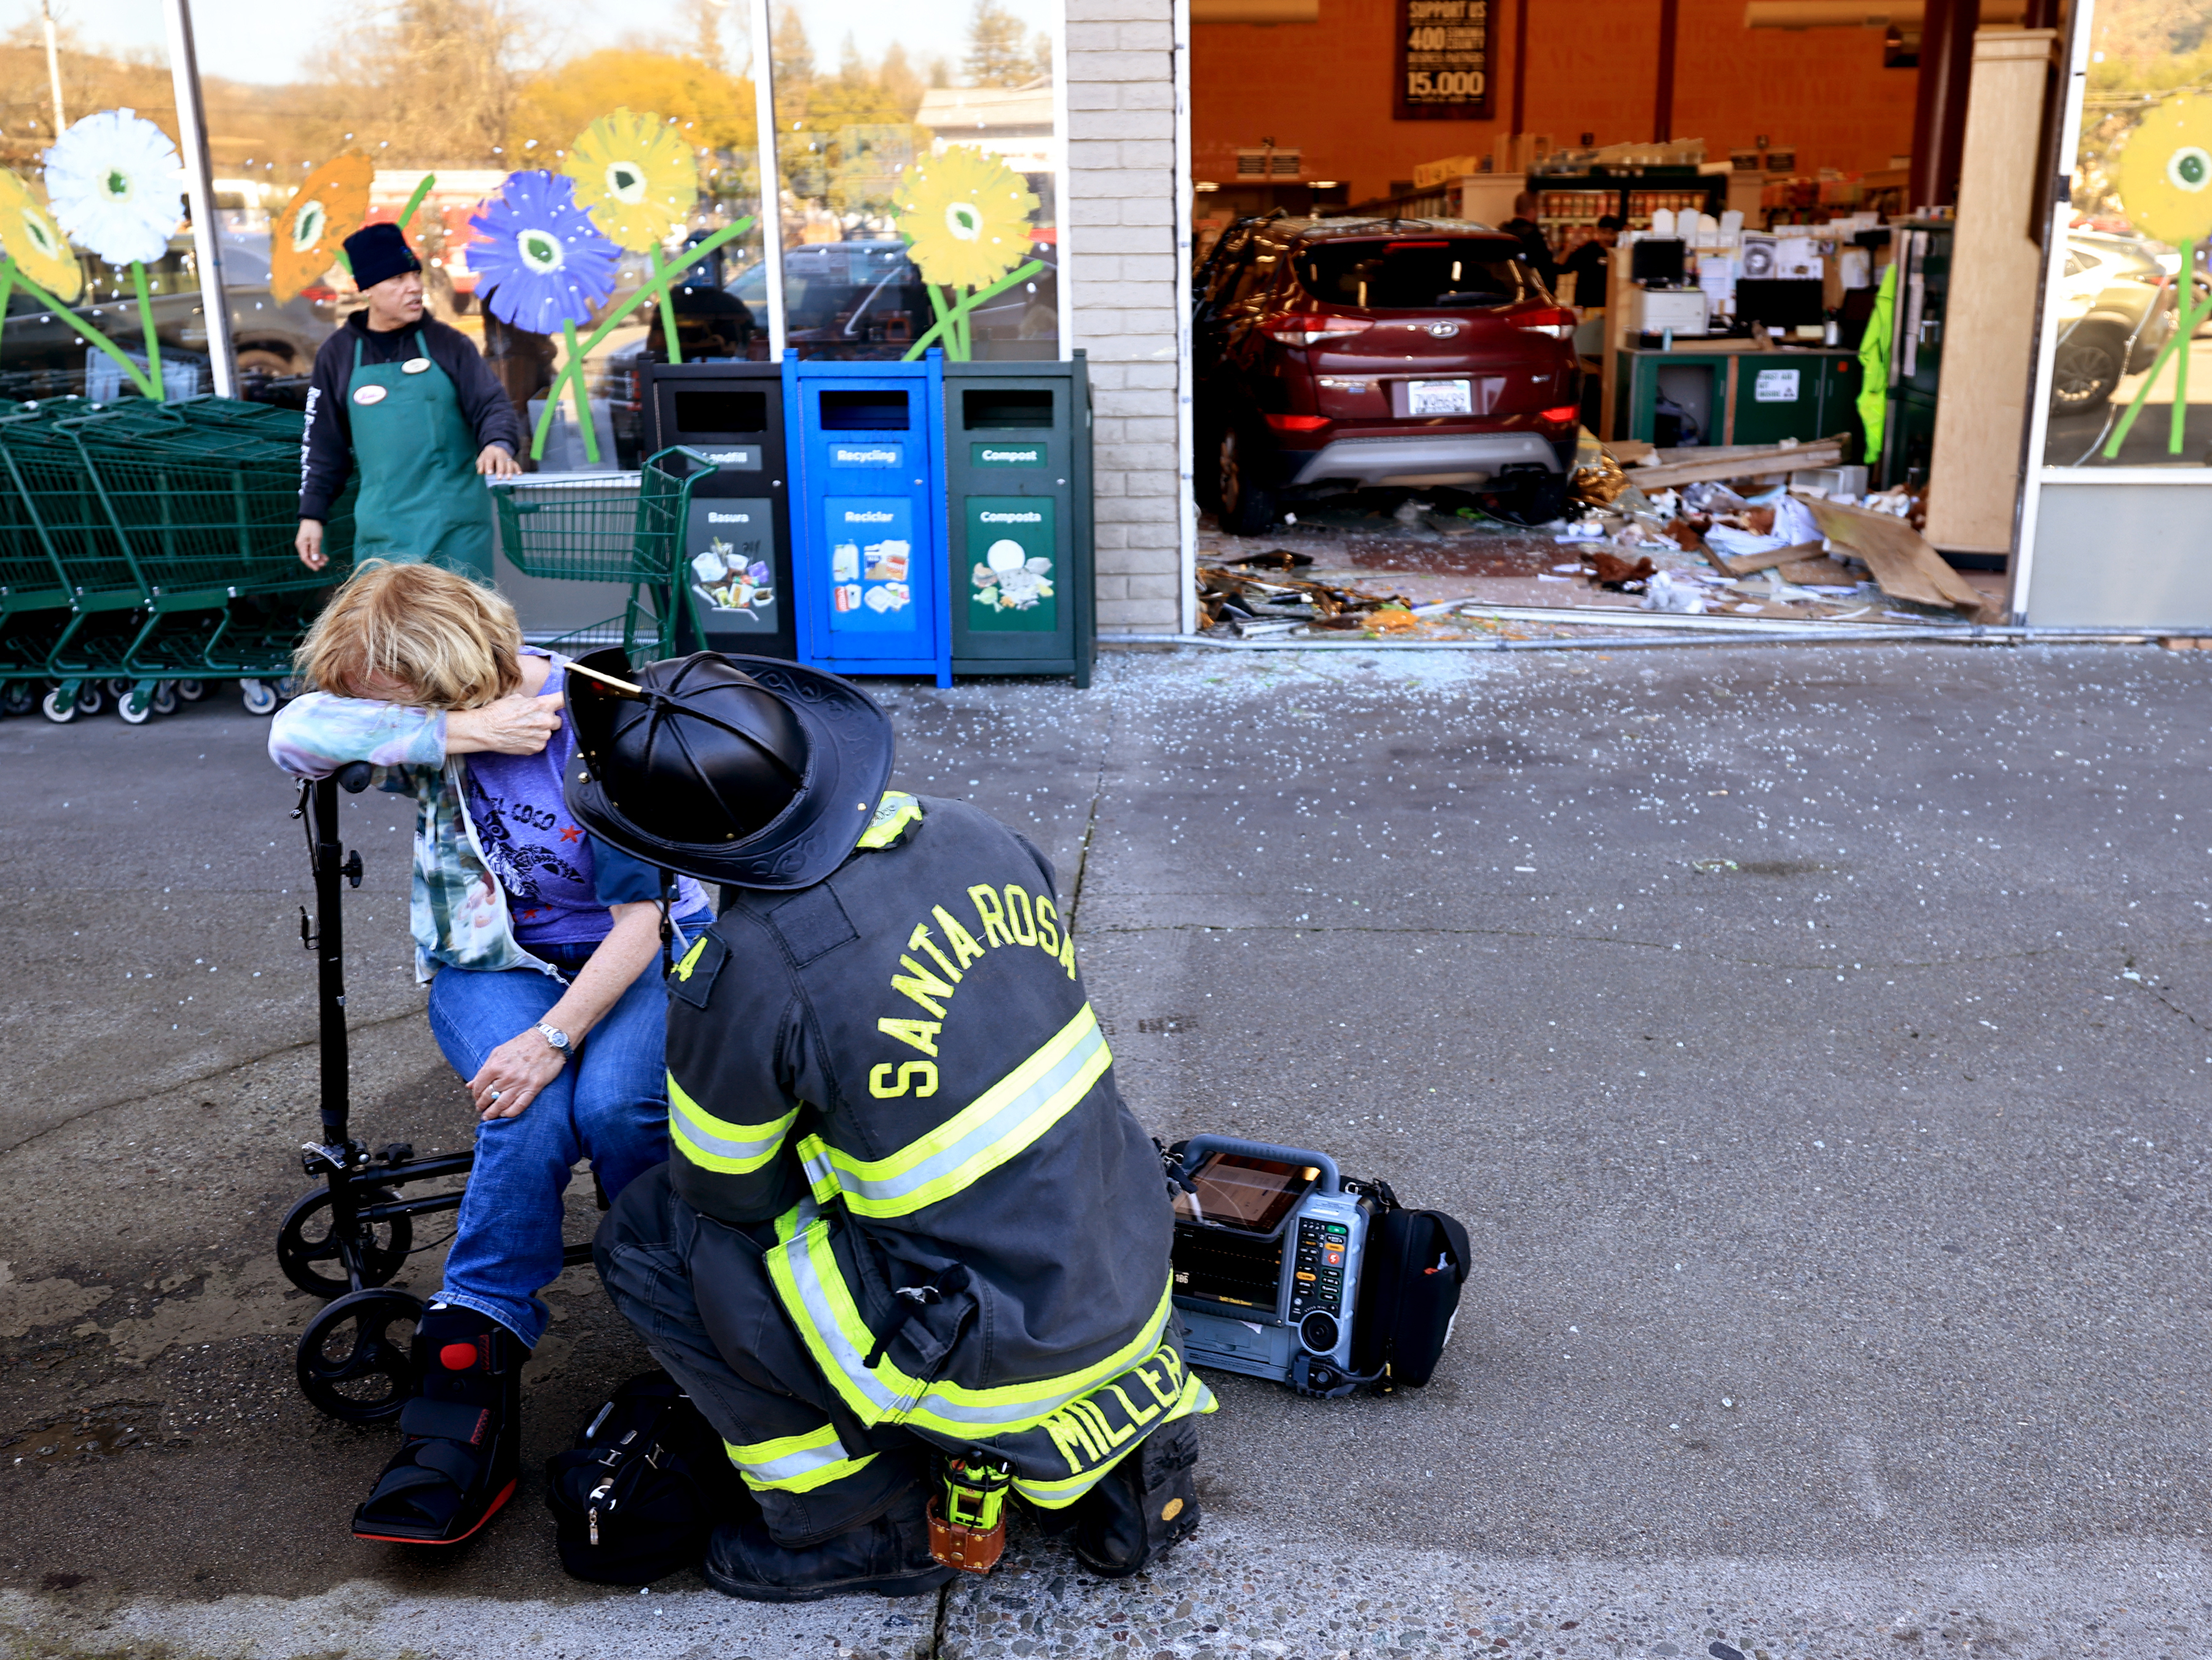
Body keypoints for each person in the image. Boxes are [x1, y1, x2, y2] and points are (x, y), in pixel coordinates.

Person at [567, 649, 1212, 1603]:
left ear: (676, 848)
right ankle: (1102, 1467)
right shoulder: (973, 834)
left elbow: (724, 1192)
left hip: (983, 1351)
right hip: (1124, 1273)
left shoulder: (743, 971)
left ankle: (853, 1517)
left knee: (652, 1235)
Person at [268, 562, 713, 1545]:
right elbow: (294, 734)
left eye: (392, 701)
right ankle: (471, 1351)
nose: (373, 716)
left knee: (610, 1110)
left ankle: (677, 1295)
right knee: (528, 1110)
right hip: (492, 955)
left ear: (443, 666)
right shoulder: (443, 719)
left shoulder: (594, 720)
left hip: (633, 952)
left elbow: (643, 921)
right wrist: (453, 734)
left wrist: (554, 1037)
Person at [296, 222, 525, 580]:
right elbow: (323, 445)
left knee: (466, 630)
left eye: (415, 275)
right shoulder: (338, 355)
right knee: (387, 633)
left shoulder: (448, 344)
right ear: (368, 289)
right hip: (384, 535)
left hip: (457, 530)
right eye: (398, 279)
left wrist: (498, 442)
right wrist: (312, 514)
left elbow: (491, 403)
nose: (414, 287)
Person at [1497, 191, 1559, 293]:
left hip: (1502, 293)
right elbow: (1547, 272)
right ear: (1532, 211)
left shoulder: (1501, 233)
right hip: (1528, 294)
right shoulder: (1534, 237)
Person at [1560, 214, 1625, 310]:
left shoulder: (1621, 254)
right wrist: (1571, 245)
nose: (1607, 237)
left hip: (1612, 308)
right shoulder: (1587, 250)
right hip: (1586, 307)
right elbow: (1560, 268)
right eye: (1604, 232)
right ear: (1597, 231)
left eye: (1612, 234)